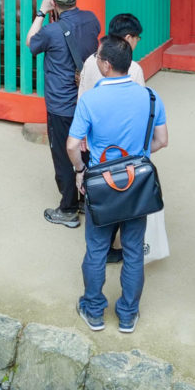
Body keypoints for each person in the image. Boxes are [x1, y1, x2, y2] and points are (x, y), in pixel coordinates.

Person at [66, 35, 168, 334]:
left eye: (98, 57)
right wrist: (139, 156)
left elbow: (73, 145)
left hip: (102, 184)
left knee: (96, 249)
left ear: (106, 65)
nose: (96, 60)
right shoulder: (150, 96)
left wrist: (80, 170)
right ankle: (127, 314)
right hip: (137, 184)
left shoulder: (91, 100)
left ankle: (94, 310)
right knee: (134, 251)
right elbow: (162, 140)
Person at [26, 0, 101, 228]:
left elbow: (30, 43)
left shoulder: (51, 30)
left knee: (63, 155)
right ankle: (84, 198)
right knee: (86, 150)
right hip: (87, 99)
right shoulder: (91, 19)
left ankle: (68, 208)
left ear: (53, 1)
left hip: (61, 104)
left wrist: (40, 12)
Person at [77, 13, 147, 263]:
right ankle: (113, 246)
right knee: (122, 193)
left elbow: (82, 96)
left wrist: (82, 134)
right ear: (128, 38)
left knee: (98, 190)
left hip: (95, 145)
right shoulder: (135, 69)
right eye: (137, 38)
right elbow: (141, 109)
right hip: (125, 149)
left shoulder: (90, 61)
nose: (137, 42)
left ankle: (102, 245)